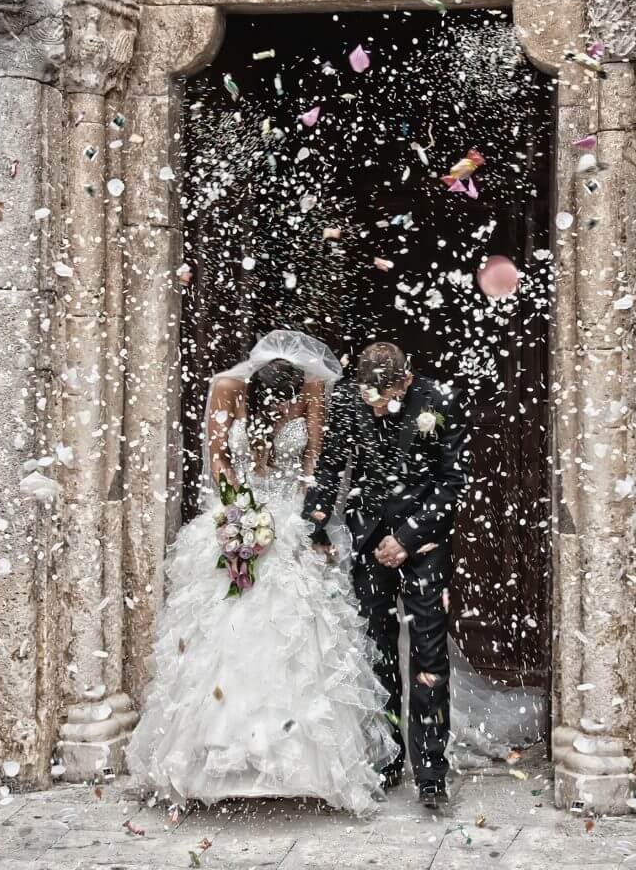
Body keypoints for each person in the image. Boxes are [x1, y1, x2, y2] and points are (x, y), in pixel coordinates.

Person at [126, 330, 398, 816]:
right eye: (275, 401)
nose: (281, 410)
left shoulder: (312, 398)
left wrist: (302, 520)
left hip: (290, 518)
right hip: (245, 515)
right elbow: (221, 465)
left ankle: (300, 764)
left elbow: (315, 467)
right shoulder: (230, 391)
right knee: (226, 638)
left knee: (297, 639)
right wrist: (241, 517)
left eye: (287, 400)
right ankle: (221, 758)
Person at [303, 342, 467, 809]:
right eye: (369, 397)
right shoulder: (351, 401)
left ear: (406, 381)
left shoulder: (439, 401)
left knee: (429, 659)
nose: (375, 407)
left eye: (385, 396)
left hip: (424, 548)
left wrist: (410, 537)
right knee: (377, 652)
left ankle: (431, 773)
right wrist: (316, 526)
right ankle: (388, 757)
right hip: (369, 543)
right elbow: (332, 464)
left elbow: (452, 482)